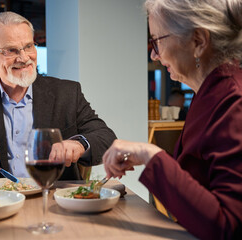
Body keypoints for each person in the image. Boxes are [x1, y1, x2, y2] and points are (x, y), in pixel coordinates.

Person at [103, 0, 242, 239]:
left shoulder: (234, 101)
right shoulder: (208, 93)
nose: (154, 54)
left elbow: (227, 226)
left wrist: (150, 154)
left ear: (198, 41)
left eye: (157, 41)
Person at [0, 11, 116, 182]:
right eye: (11, 50)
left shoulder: (66, 92)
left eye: (28, 46)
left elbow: (106, 139)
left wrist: (79, 144)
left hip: (53, 202)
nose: (24, 58)